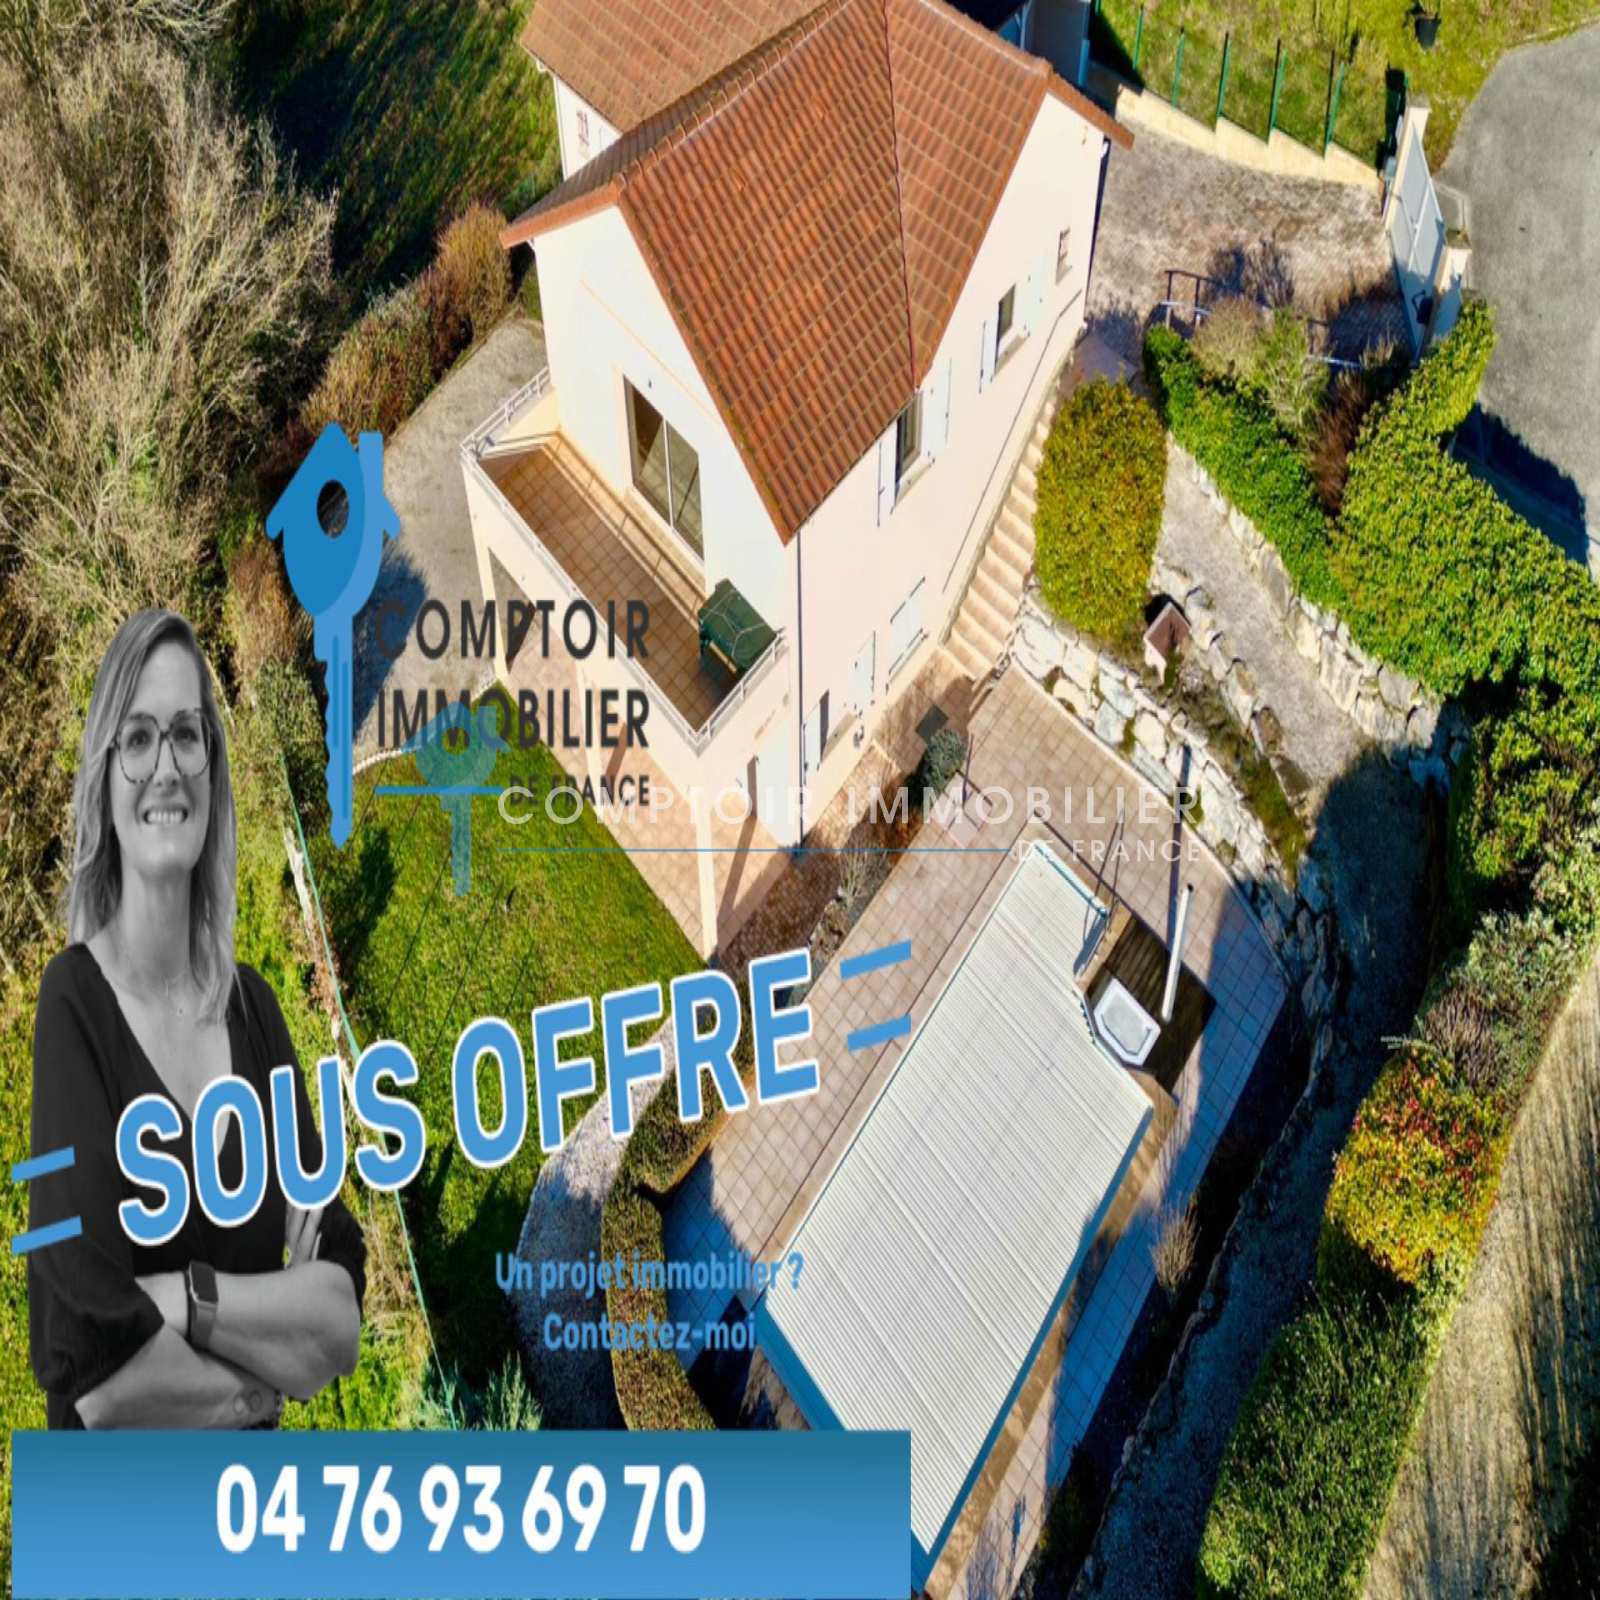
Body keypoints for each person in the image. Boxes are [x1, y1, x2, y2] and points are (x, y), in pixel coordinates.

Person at [28, 608, 365, 1428]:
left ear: (212, 767)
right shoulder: (72, 1008)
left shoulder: (254, 1011)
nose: (166, 767)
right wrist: (255, 1392)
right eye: (138, 738)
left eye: (186, 734)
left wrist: (184, 1300)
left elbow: (339, 1309)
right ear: (105, 778)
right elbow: (96, 1373)